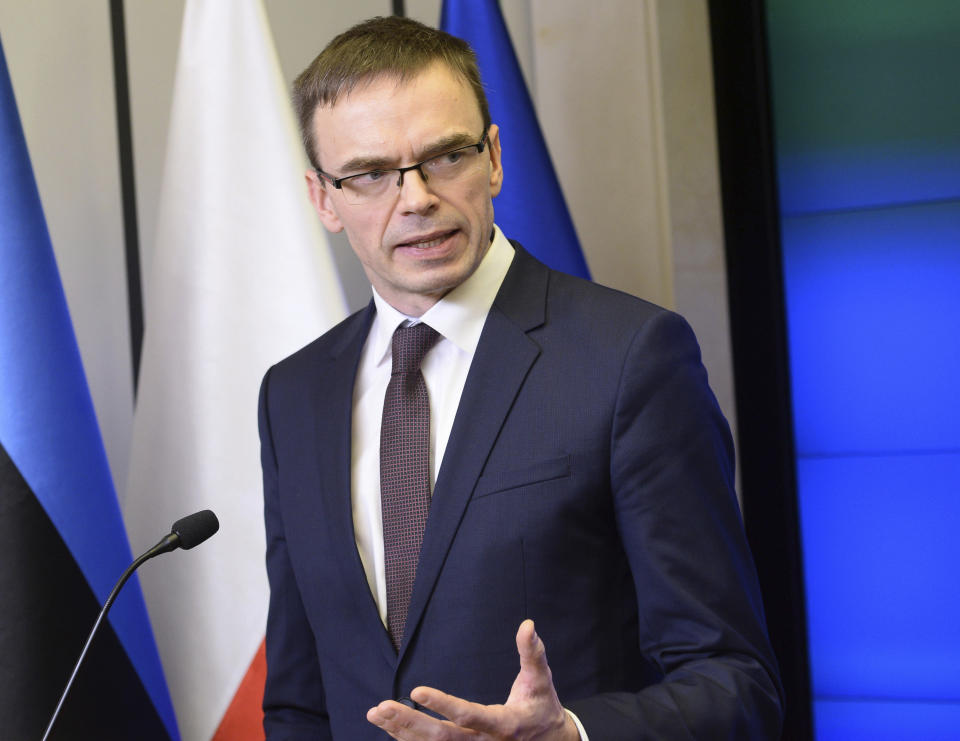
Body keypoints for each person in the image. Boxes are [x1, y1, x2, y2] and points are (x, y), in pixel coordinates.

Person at [258, 15, 783, 740]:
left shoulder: (630, 357)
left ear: (495, 158)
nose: (414, 199)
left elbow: (736, 680)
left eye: (446, 157)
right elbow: (298, 700)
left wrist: (570, 733)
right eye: (372, 174)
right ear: (323, 199)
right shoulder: (293, 394)